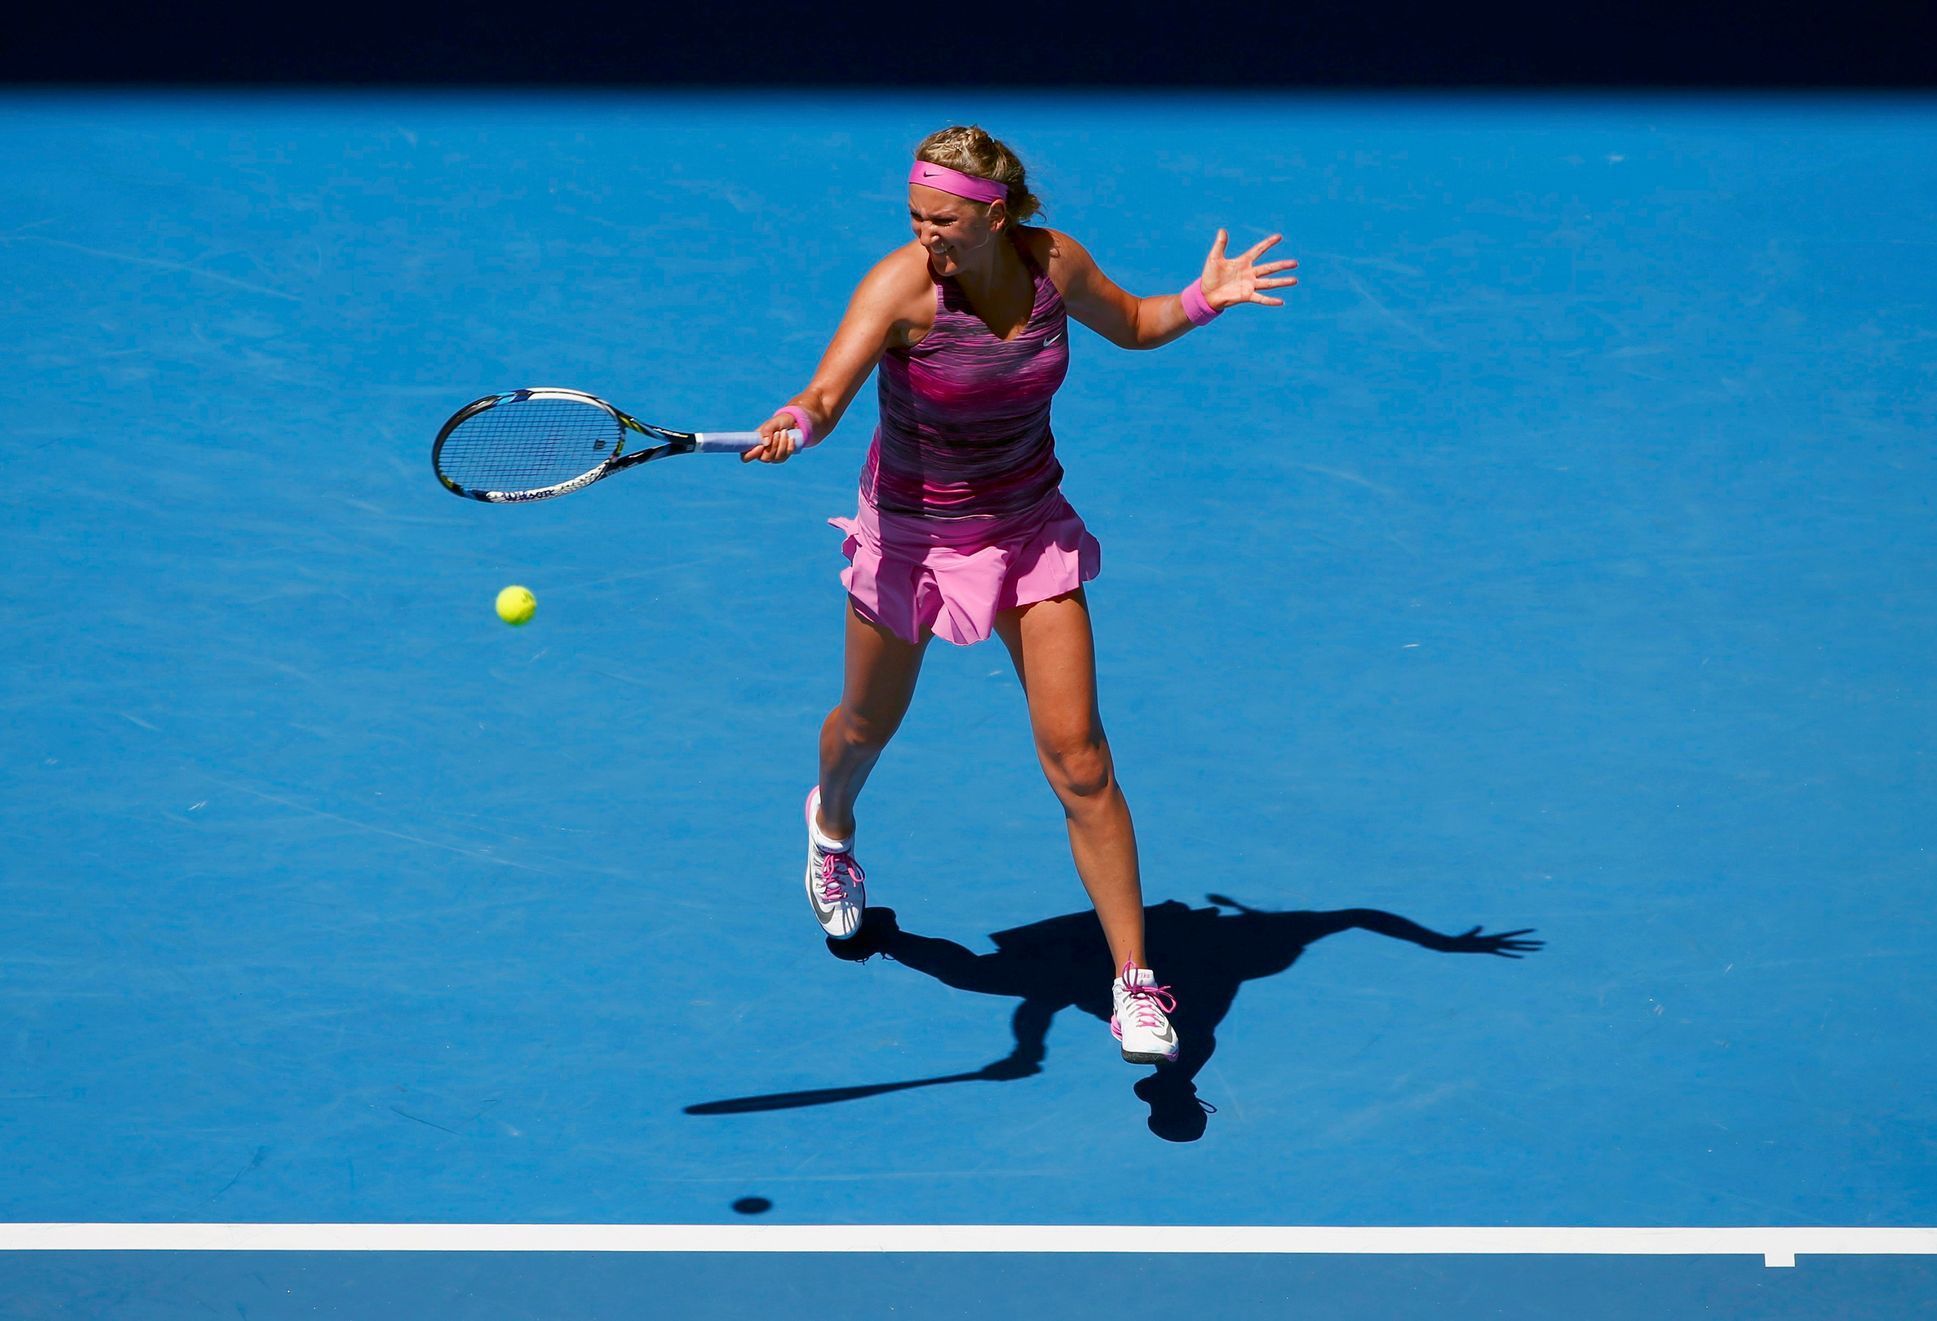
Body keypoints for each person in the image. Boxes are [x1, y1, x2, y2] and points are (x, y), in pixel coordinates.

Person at [741, 125, 1297, 1066]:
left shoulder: (1052, 265)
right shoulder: (898, 287)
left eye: (944, 220)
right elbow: (828, 393)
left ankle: (1133, 981)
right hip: (913, 537)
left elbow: (1133, 322)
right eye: (916, 217)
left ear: (995, 214)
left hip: (1027, 527)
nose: (927, 236)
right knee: (866, 726)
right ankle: (829, 823)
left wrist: (1207, 298)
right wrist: (797, 422)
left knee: (1080, 758)